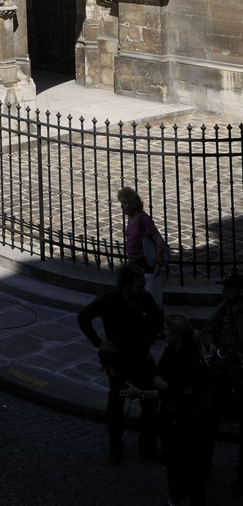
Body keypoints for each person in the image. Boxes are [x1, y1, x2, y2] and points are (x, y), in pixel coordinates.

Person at [77, 261, 163, 464]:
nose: (143, 288)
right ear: (126, 285)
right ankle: (115, 448)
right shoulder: (109, 300)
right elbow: (83, 317)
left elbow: (158, 319)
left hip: (142, 356)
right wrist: (99, 343)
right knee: (116, 404)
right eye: (139, 285)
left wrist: (151, 334)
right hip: (119, 360)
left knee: (150, 402)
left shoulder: (145, 298)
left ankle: (147, 445)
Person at [125, 313, 210, 506]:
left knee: (189, 466)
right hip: (170, 418)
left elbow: (171, 392)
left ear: (177, 334)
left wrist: (143, 392)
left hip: (186, 421)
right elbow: (159, 377)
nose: (163, 332)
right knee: (173, 461)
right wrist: (168, 386)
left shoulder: (188, 360)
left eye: (167, 329)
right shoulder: (172, 349)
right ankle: (176, 495)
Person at [203, 272, 243, 491]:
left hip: (241, 375)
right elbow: (208, 330)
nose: (223, 292)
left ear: (239, 291)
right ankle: (205, 463)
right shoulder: (222, 309)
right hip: (222, 373)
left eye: (228, 289)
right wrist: (211, 345)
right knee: (209, 419)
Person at [118, 186, 169, 305]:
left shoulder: (143, 219)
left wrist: (158, 264)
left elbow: (158, 241)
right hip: (134, 262)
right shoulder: (131, 218)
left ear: (133, 203)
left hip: (144, 264)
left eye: (124, 203)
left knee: (149, 298)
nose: (122, 206)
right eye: (121, 203)